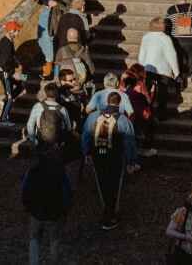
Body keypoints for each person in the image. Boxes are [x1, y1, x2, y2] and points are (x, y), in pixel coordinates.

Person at [20, 136, 72, 265]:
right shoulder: (59, 167)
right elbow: (66, 190)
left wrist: (26, 205)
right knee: (54, 239)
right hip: (55, 209)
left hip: (36, 210)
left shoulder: (33, 169)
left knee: (34, 237)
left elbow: (25, 188)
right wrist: (66, 208)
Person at [82, 102, 127, 228]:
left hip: (98, 156)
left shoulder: (94, 117)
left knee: (102, 183)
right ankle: (110, 214)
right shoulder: (122, 120)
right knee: (114, 185)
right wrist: (130, 159)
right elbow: (128, 140)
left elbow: (86, 135)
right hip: (114, 157)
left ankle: (106, 210)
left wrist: (87, 153)